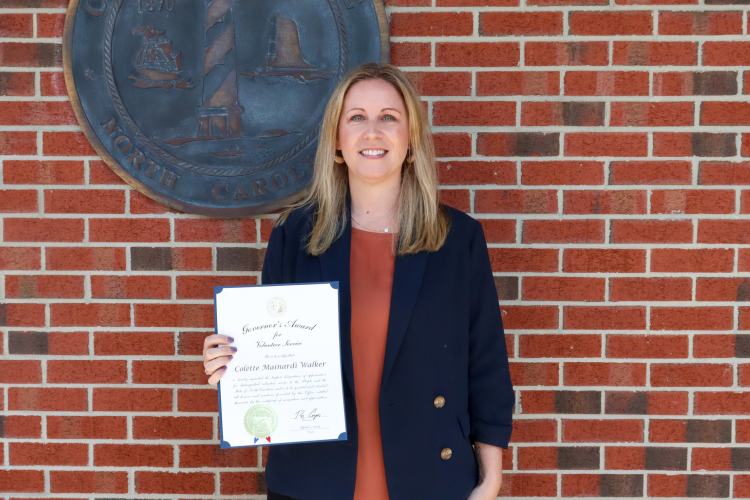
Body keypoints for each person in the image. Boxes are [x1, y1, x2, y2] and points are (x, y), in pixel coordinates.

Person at [203, 63, 515, 500]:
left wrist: (492, 476)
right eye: (356, 118)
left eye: (389, 117)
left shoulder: (457, 239)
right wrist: (233, 366)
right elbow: (269, 351)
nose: (373, 131)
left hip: (429, 477)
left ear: (410, 140)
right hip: (315, 479)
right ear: (336, 141)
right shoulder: (294, 235)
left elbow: (486, 364)